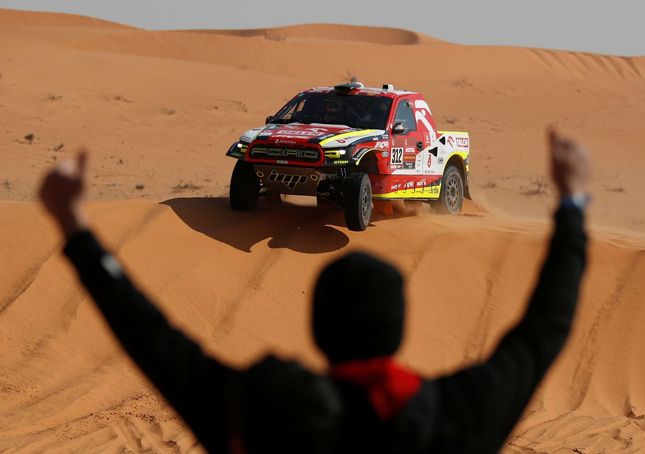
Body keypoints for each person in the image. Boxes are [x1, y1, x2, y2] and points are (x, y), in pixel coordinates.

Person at [39, 129, 590, 453]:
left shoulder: (265, 412)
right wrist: (572, 204)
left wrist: (74, 227)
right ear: (401, 326)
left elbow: (155, 342)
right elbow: (544, 330)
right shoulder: (453, 419)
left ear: (317, 327)